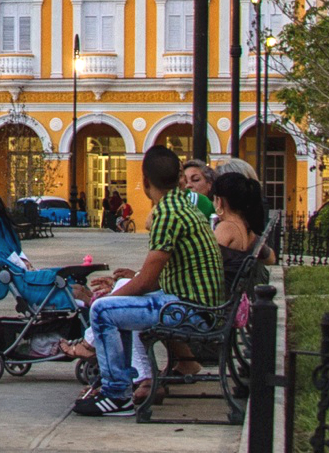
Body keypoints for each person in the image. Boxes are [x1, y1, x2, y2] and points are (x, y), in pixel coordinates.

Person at [73, 145, 225, 417]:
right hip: (197, 304)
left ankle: (116, 394)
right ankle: (124, 382)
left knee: (102, 310)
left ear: (145, 183)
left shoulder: (167, 214)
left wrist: (106, 298)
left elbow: (146, 283)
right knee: (117, 305)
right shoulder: (182, 206)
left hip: (191, 310)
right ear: (179, 179)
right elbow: (151, 278)